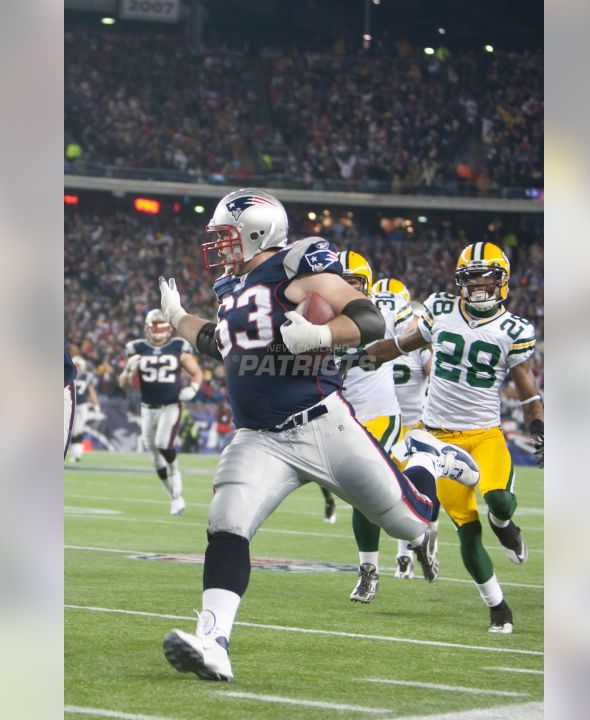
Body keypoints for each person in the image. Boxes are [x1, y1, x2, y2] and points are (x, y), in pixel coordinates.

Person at [156, 188, 482, 681]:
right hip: (260, 437)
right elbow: (212, 341)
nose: (218, 247)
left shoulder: (295, 263)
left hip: (324, 424)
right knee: (227, 523)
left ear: (256, 232)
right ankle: (213, 642)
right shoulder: (232, 292)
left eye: (225, 236)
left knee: (410, 522)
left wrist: (324, 336)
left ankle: (428, 460)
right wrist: (178, 316)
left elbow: (367, 317)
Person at [366, 241, 545, 634]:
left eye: (487, 276)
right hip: (435, 438)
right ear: (460, 281)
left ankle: (507, 527)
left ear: (503, 281)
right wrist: (361, 356)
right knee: (466, 528)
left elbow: (528, 390)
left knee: (498, 500)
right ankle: (497, 605)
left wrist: (538, 427)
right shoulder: (441, 310)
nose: (480, 284)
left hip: (483, 435)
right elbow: (400, 345)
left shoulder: (513, 329)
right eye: (472, 277)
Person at [334, 253, 419, 603]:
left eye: (355, 282)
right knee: (362, 493)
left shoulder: (385, 310)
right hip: (340, 415)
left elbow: (418, 334)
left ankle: (369, 569)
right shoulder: (313, 314)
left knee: (363, 490)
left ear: (366, 285)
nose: (348, 287)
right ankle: (416, 531)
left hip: (380, 413)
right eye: (342, 280)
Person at [371, 277, 434, 580]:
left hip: (415, 426)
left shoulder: (415, 340)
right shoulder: (372, 336)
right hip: (388, 423)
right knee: (395, 494)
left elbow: (431, 368)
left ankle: (405, 555)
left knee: (414, 493)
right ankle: (404, 555)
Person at [118, 309, 203, 515]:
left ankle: (175, 471)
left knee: (163, 443)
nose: (158, 331)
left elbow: (196, 372)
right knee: (154, 455)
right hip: (147, 408)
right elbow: (124, 384)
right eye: (154, 326)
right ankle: (174, 496)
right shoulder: (136, 348)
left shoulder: (178, 346)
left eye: (162, 326)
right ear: (147, 327)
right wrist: (129, 370)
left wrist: (193, 388)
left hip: (170, 405)